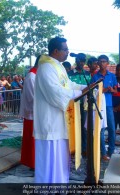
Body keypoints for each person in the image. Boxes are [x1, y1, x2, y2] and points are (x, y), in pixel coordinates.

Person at [34, 37, 86, 183]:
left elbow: (68, 84)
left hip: (60, 121)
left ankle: (59, 185)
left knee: (60, 157)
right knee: (50, 158)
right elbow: (55, 93)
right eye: (65, 49)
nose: (68, 52)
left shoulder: (59, 66)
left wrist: (83, 88)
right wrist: (79, 93)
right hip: (50, 121)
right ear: (56, 51)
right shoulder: (45, 67)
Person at [91, 55, 117, 161]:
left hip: (109, 105)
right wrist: (103, 90)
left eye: (104, 62)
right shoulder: (95, 77)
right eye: (100, 62)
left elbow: (116, 90)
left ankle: (111, 151)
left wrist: (111, 89)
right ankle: (103, 153)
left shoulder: (112, 76)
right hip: (99, 106)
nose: (102, 64)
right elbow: (93, 91)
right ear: (98, 63)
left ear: (107, 63)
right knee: (101, 130)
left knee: (112, 128)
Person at [19, 55, 41, 169]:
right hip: (32, 113)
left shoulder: (37, 74)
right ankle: (32, 163)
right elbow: (32, 96)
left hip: (37, 112)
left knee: (35, 139)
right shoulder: (31, 76)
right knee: (32, 139)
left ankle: (34, 161)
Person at [68, 53, 91, 157]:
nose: (81, 63)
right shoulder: (70, 74)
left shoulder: (87, 74)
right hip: (74, 104)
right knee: (75, 126)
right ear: (76, 61)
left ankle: (84, 148)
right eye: (80, 61)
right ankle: (74, 148)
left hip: (85, 105)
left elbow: (89, 87)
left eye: (83, 61)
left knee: (84, 127)